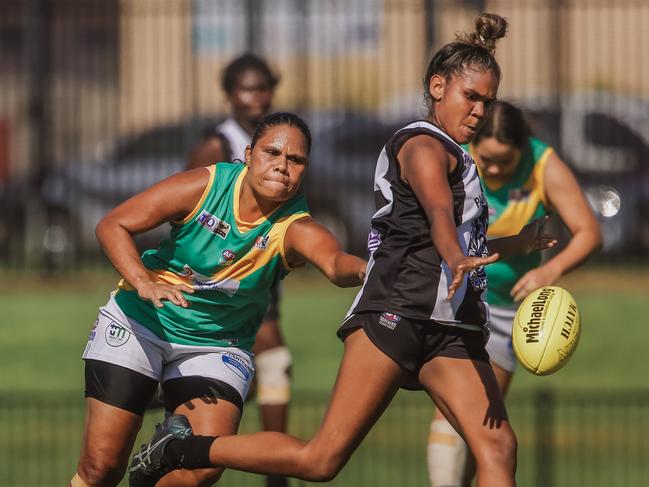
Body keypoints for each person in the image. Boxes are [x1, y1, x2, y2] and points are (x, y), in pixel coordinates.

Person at [129, 13, 557, 487]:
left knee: (498, 449)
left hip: (450, 325)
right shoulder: (421, 145)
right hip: (394, 314)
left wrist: (519, 242)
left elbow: (453, 240)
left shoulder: (461, 157)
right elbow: (437, 210)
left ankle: (180, 447)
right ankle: (182, 447)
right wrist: (454, 256)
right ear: (438, 87)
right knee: (321, 460)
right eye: (470, 96)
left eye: (487, 101)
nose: (479, 110)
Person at [69, 112, 367, 487]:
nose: (282, 166)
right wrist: (143, 282)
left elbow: (334, 261)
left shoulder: (294, 225)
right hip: (141, 322)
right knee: (101, 469)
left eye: (296, 160)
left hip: (216, 345)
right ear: (248, 153)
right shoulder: (207, 185)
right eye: (272, 153)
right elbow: (113, 224)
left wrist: (363, 270)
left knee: (201, 469)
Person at [426, 100, 602, 486]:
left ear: (522, 149)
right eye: (485, 159)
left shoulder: (543, 164)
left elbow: (589, 232)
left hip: (507, 313)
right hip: (458, 300)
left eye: (502, 162)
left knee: (485, 432)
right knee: (455, 415)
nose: (491, 169)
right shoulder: (455, 156)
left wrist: (551, 270)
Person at [187, 53, 293, 487]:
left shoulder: (282, 141)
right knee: (271, 359)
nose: (257, 97)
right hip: (219, 279)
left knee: (252, 371)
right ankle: (275, 467)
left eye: (263, 87)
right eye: (247, 89)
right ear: (230, 94)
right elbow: (187, 213)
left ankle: (271, 463)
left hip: (261, 273)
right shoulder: (218, 145)